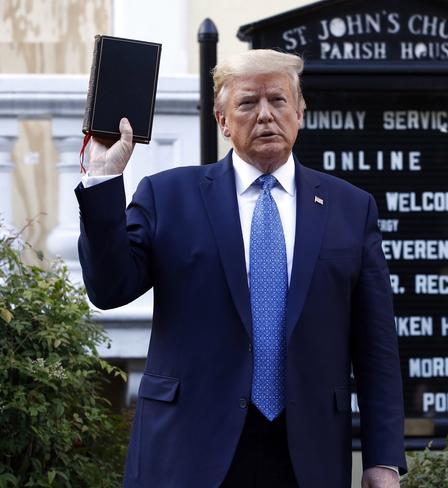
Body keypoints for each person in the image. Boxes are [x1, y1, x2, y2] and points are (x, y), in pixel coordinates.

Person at [75, 49, 406, 488]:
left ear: (300, 113)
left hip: (307, 453)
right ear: (223, 120)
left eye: (279, 101)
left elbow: (376, 346)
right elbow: (109, 288)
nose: (266, 115)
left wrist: (383, 459)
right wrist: (103, 180)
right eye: (248, 103)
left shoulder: (350, 207)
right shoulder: (169, 197)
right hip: (188, 449)